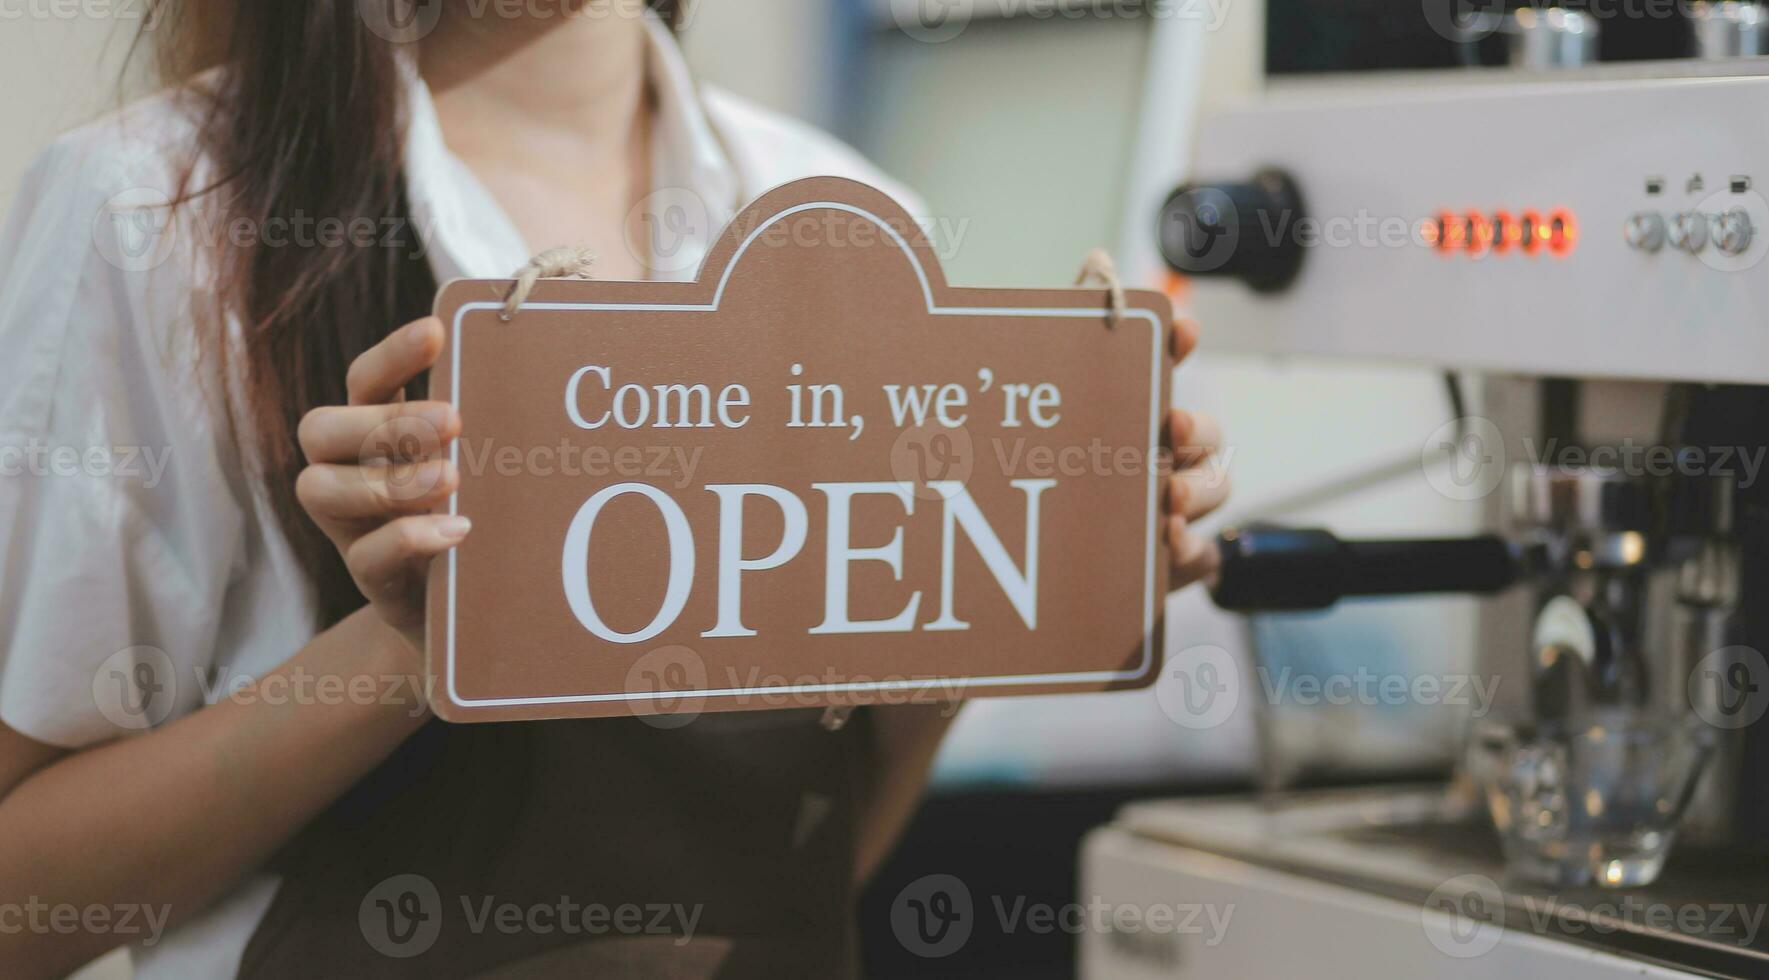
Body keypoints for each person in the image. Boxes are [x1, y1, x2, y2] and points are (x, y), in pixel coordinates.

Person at [0, 2, 1229, 976]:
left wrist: (1033, 569)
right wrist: (406, 655)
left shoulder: (849, 224)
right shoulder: (154, 218)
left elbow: (799, 865)